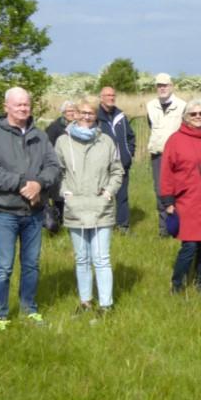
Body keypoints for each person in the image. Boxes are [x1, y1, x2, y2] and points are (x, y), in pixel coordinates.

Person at [0, 87, 60, 330]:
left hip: (34, 213)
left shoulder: (40, 135)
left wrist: (39, 184)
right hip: (5, 213)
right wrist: (24, 184)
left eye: (26, 104)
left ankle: (29, 309)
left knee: (32, 265)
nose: (23, 108)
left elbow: (53, 166)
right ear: (6, 107)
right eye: (18, 105)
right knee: (4, 267)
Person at [55, 96, 124, 314]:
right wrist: (64, 193)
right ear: (74, 114)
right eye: (82, 112)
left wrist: (108, 192)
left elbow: (117, 170)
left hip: (100, 208)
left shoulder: (106, 142)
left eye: (91, 113)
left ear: (96, 116)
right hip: (75, 207)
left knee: (101, 258)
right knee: (82, 258)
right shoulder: (62, 142)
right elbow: (57, 171)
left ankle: (106, 305)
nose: (86, 116)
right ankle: (85, 302)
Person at [160, 101, 201, 294]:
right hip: (186, 202)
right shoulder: (175, 140)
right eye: (193, 113)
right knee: (189, 245)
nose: (198, 116)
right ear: (186, 116)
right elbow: (166, 173)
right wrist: (168, 202)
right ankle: (177, 284)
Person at [147, 73, 188, 237]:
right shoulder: (150, 106)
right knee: (160, 191)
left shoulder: (182, 105)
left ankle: (181, 227)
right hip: (158, 155)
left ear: (171, 86)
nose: (162, 88)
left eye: (165, 85)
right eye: (159, 85)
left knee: (179, 191)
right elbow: (152, 127)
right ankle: (164, 229)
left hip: (178, 156)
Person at [97, 86, 136, 234]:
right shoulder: (96, 116)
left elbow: (131, 136)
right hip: (103, 165)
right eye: (107, 95)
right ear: (101, 98)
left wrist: (129, 152)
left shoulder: (121, 116)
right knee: (103, 196)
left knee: (122, 197)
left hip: (121, 164)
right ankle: (102, 226)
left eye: (113, 95)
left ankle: (123, 226)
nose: (111, 98)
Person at [45, 100, 77, 230]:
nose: (72, 113)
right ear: (63, 113)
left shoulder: (78, 127)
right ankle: (58, 221)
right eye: (69, 111)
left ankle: (72, 220)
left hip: (74, 167)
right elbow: (47, 146)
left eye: (74, 110)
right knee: (59, 194)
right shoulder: (54, 127)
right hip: (58, 166)